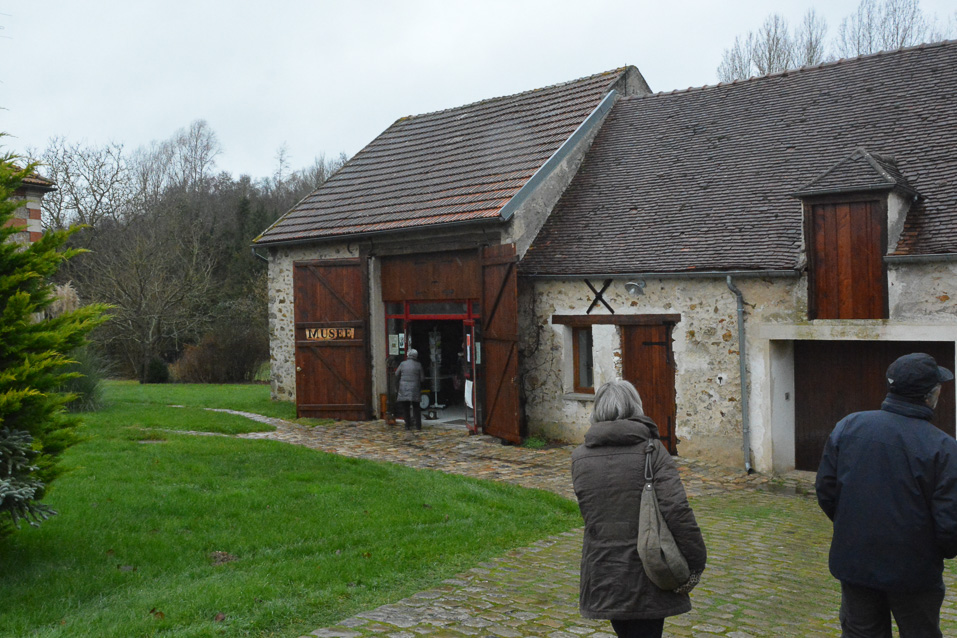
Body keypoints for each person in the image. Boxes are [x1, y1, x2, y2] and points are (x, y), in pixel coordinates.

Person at [816, 352, 957, 638]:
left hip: (856, 560)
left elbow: (826, 491)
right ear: (931, 395)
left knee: (861, 633)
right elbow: (949, 519)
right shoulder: (942, 447)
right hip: (914, 570)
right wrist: (941, 551)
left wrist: (853, 527)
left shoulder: (849, 426)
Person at [572, 380, 706, 638]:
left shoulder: (579, 457)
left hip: (603, 568)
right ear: (635, 407)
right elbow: (677, 510)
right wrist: (696, 558)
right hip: (648, 568)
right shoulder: (652, 451)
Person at [395, 349, 425, 431]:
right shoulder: (418, 365)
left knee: (406, 408)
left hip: (404, 389)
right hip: (415, 388)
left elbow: (396, 374)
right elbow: (422, 379)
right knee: (416, 408)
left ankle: (407, 425)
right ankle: (418, 426)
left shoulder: (402, 364)